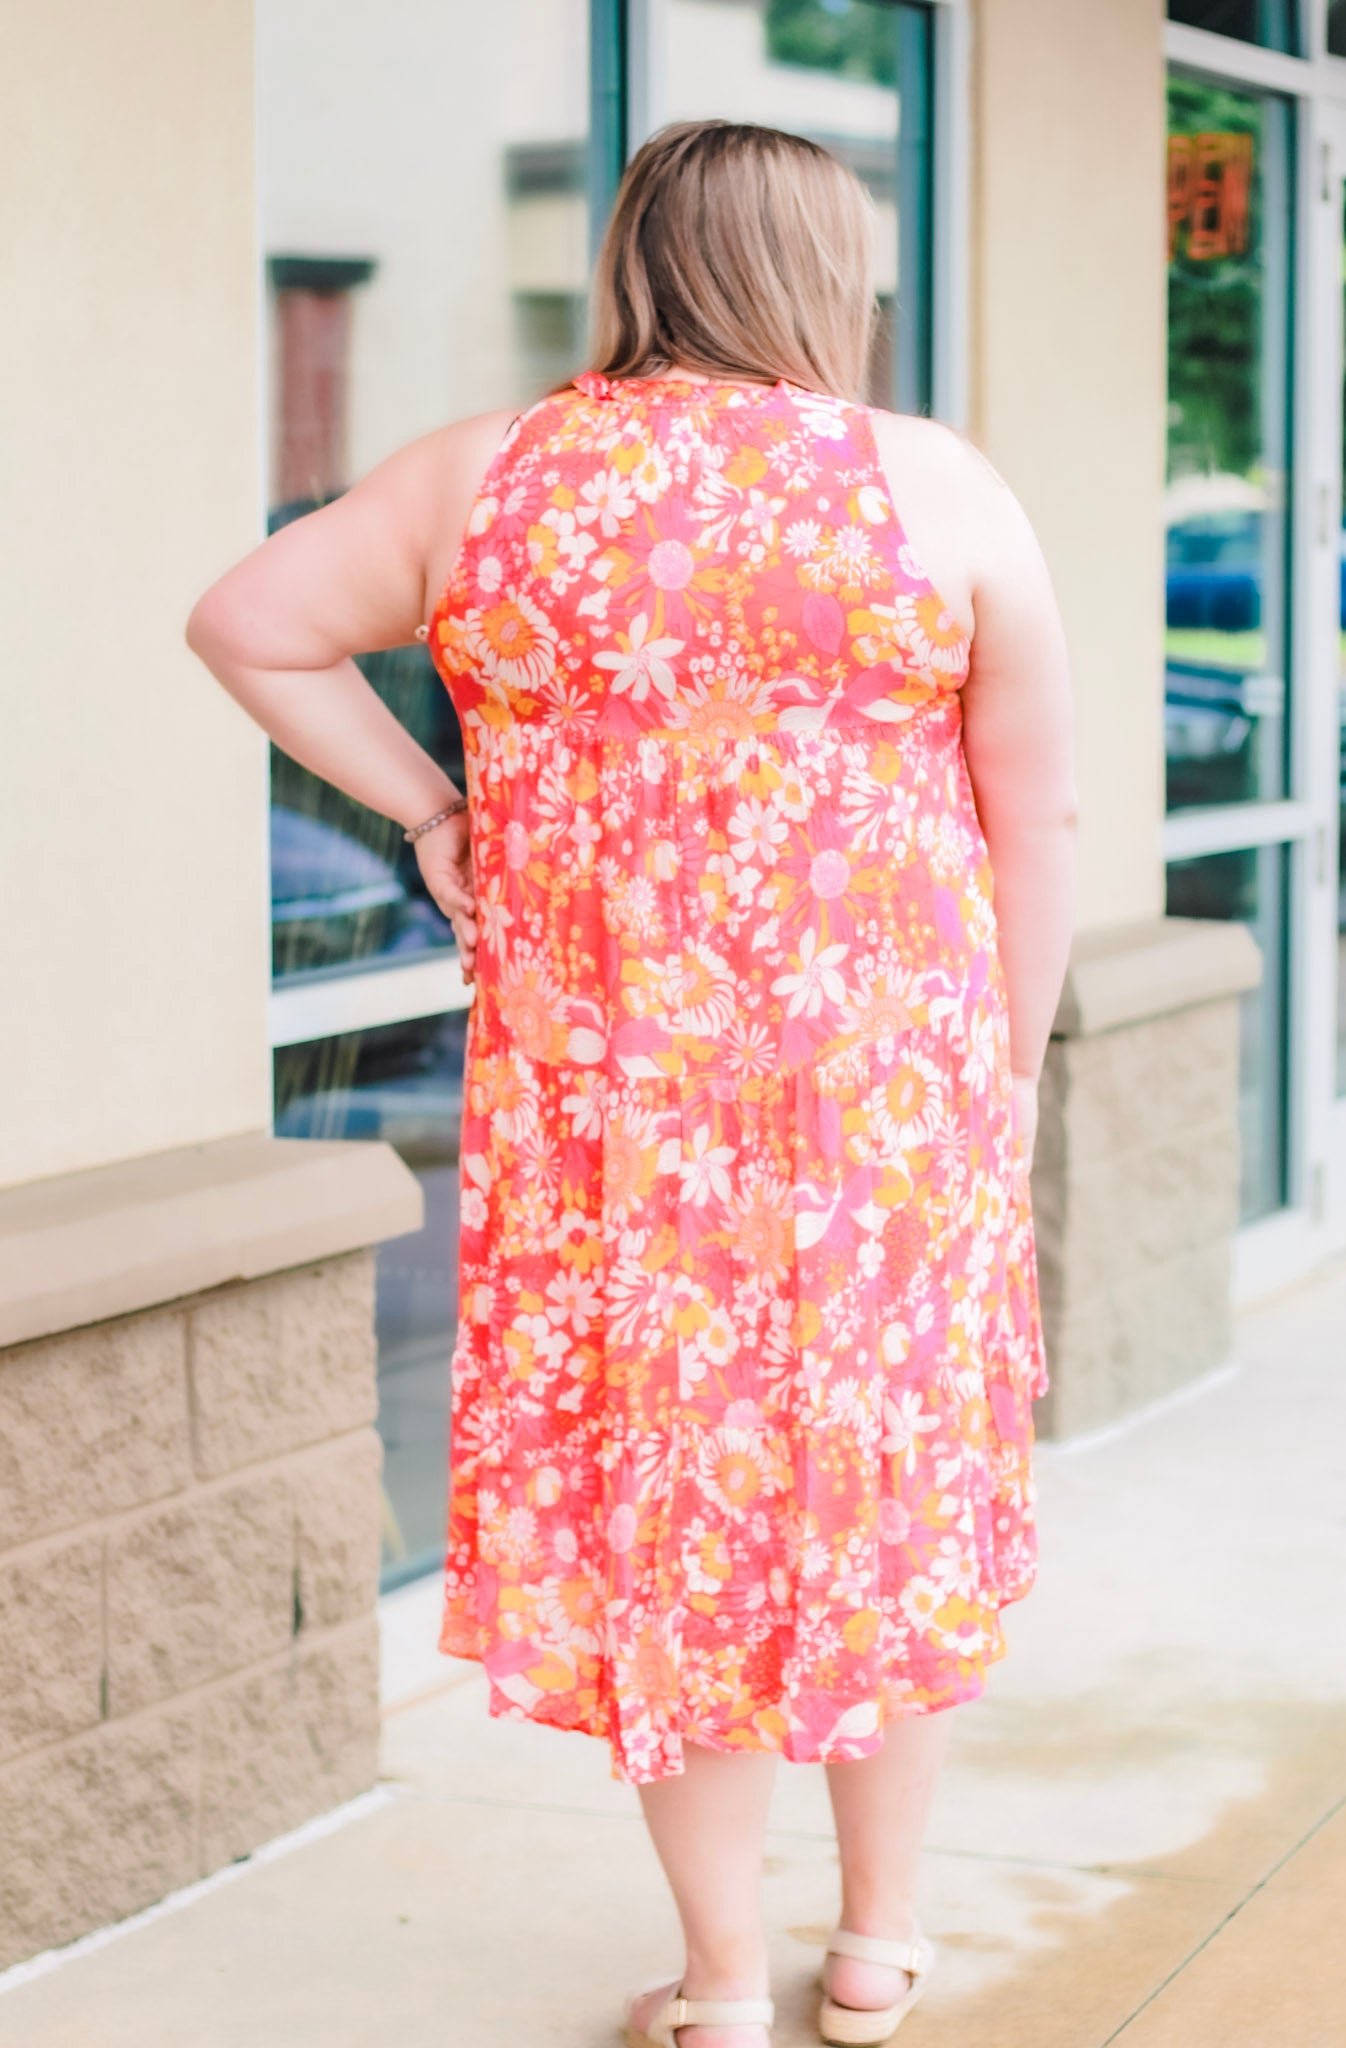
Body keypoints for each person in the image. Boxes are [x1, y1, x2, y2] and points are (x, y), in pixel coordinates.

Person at [188, 117, 1075, 2048]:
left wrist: (431, 804)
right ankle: (876, 1944)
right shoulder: (927, 485)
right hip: (881, 1126)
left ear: (633, 260)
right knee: (881, 1509)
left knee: (673, 1521)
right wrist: (996, 1088)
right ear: (825, 272)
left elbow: (245, 622)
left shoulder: (484, 477)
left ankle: (727, 1981)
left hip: (614, 1135)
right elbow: (1038, 819)